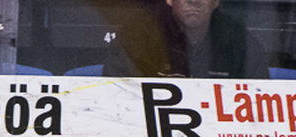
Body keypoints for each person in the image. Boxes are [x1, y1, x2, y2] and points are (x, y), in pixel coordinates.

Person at [103, 0, 271, 79]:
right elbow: (116, 104)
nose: (194, 1)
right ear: (169, 0)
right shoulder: (137, 37)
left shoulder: (240, 43)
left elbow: (258, 115)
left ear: (216, 2)